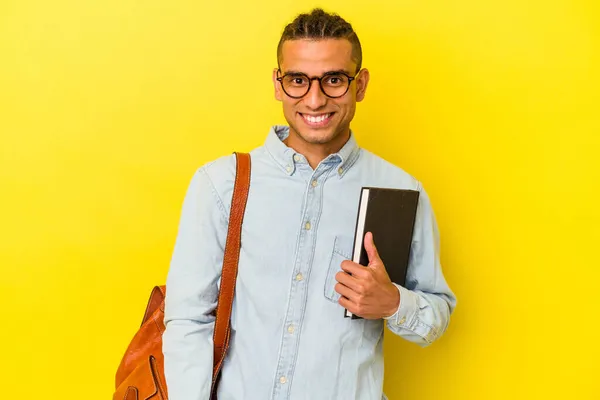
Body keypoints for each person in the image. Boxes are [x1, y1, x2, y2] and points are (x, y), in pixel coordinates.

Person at [162, 8, 457, 400]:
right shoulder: (221, 184)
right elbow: (187, 320)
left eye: (334, 80)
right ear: (278, 84)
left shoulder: (400, 192)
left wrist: (393, 302)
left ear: (361, 84)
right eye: (298, 80)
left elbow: (437, 314)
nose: (315, 100)